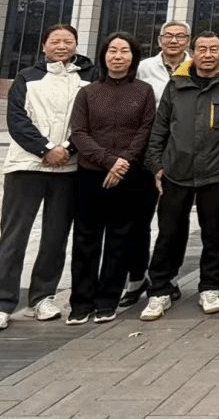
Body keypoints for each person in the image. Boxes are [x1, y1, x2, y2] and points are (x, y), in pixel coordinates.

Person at [0, 24, 94, 333]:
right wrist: (45, 149)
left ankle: (43, 297)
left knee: (55, 237)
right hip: (26, 166)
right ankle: (1, 303)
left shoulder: (87, 79)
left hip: (67, 168)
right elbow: (17, 119)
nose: (62, 46)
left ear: (76, 45)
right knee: (13, 236)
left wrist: (67, 149)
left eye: (68, 41)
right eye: (55, 41)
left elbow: (88, 121)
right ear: (44, 45)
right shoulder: (27, 77)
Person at [140, 31, 219, 321]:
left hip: (218, 171)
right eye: (202, 49)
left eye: (214, 49)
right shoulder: (176, 83)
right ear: (193, 52)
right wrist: (155, 164)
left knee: (215, 234)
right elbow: (160, 126)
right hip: (176, 170)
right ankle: (160, 289)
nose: (208, 54)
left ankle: (210, 287)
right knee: (169, 233)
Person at [66, 32, 156, 325]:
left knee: (120, 239)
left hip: (129, 176)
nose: (118, 56)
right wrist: (109, 162)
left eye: (124, 51)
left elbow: (145, 131)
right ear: (104, 56)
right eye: (112, 51)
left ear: (133, 57)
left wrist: (123, 163)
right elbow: (79, 133)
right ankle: (81, 302)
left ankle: (107, 300)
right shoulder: (88, 93)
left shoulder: (143, 91)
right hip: (91, 174)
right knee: (86, 239)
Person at [121, 20, 190, 308]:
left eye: (180, 36)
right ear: (159, 39)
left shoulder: (196, 67)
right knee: (137, 219)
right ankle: (137, 277)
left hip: (180, 156)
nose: (174, 41)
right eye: (168, 36)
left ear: (188, 40)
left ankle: (169, 276)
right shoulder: (143, 68)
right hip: (143, 154)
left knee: (174, 221)